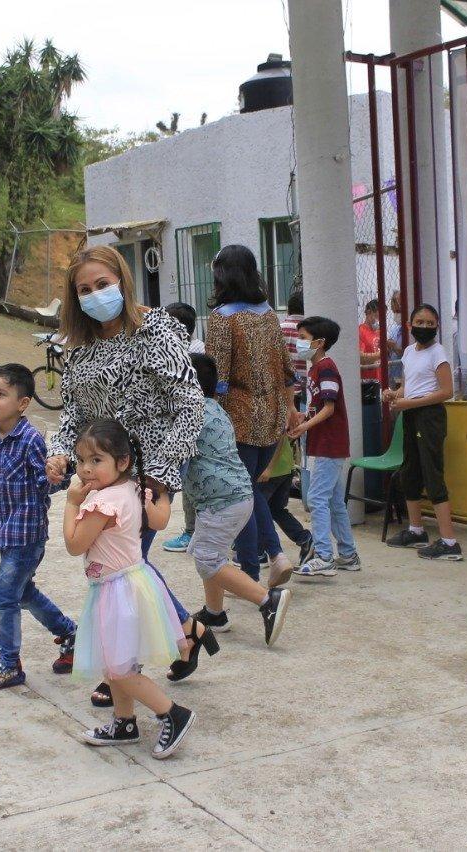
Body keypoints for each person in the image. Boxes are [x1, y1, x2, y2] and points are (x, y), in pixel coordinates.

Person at [45, 245, 210, 701]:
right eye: (84, 290)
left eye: (103, 284)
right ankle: (185, 630)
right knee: (125, 565)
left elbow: (190, 404)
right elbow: (72, 416)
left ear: (122, 280)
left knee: (120, 569)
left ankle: (122, 670)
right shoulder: (79, 350)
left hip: (147, 475)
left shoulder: (156, 329)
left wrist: (159, 471)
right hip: (103, 475)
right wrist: (60, 454)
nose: (95, 295)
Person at [66, 419, 196, 759]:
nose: (86, 469)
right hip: (135, 583)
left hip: (116, 591)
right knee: (119, 664)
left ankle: (173, 713)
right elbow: (160, 521)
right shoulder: (133, 490)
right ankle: (124, 722)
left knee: (119, 669)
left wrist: (70, 504)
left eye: (96, 461)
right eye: (81, 460)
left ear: (122, 462)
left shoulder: (100, 503)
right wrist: (160, 494)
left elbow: (75, 545)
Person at [0, 364, 78, 691]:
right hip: (6, 533)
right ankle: (73, 636)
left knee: (5, 596)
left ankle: (9, 664)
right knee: (22, 593)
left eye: (0, 394)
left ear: (23, 403)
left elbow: (43, 484)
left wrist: (58, 476)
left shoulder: (31, 440)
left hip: (28, 535)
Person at [183, 353, 293, 640]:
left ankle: (266, 600)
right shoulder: (214, 408)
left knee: (207, 558)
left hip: (221, 500)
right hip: (235, 496)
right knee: (210, 553)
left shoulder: (190, 414)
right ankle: (215, 613)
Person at [204, 245, 297, 584]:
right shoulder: (270, 314)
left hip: (238, 419)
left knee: (242, 494)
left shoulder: (222, 318)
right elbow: (287, 370)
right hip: (271, 418)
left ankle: (265, 561)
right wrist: (289, 409)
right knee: (250, 490)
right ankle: (265, 560)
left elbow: (217, 376)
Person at [384, 303, 463, 561]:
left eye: (431, 323)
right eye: (420, 322)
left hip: (429, 417)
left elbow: (446, 391)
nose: (425, 327)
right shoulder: (408, 351)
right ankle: (416, 530)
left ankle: (449, 542)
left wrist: (410, 403)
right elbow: (409, 386)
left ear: (437, 326)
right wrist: (394, 394)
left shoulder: (438, 353)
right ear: (410, 325)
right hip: (411, 415)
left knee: (432, 474)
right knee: (410, 472)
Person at [288, 316, 360, 577]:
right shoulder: (316, 369)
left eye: (304, 338)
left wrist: (304, 427)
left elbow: (329, 408)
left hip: (330, 444)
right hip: (327, 444)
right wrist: (302, 421)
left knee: (317, 498)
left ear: (320, 342)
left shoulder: (326, 368)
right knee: (334, 501)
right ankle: (348, 554)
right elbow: (318, 408)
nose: (299, 343)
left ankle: (324, 557)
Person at [162, 301, 203, 555]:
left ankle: (191, 532)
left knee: (187, 484)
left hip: (187, 429)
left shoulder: (186, 354)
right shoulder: (191, 349)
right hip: (188, 427)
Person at [258, 433, 315, 566]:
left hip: (269, 469)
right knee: (276, 509)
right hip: (285, 466)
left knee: (258, 510)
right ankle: (304, 538)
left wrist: (268, 468)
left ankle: (259, 552)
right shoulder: (283, 412)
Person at [281, 290, 308, 393]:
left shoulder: (279, 329)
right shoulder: (310, 330)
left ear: (288, 309)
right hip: (305, 389)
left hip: (285, 390)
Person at [358, 298, 385, 387]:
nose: (380, 320)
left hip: (381, 377)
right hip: (368, 380)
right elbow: (360, 357)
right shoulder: (360, 331)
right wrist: (381, 354)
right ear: (369, 312)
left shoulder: (379, 331)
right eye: (378, 317)